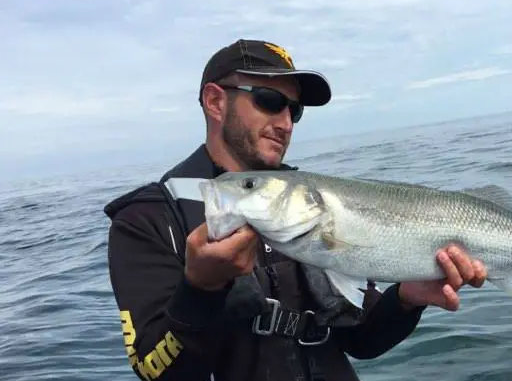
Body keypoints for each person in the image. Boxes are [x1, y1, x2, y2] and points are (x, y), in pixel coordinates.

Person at [103, 38, 488, 381]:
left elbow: (361, 340)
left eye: (295, 110)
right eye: (269, 101)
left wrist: (405, 298)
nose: (286, 123)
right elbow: (155, 369)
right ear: (215, 101)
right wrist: (201, 289)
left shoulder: (309, 206)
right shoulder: (147, 220)